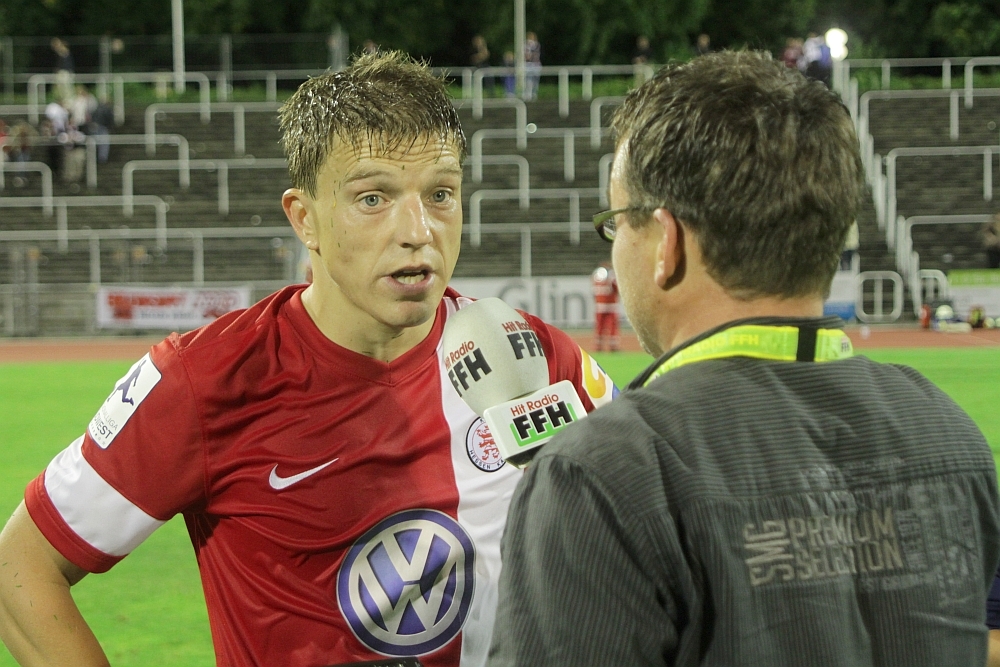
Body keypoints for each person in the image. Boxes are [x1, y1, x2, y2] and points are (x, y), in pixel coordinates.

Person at [0, 52, 616, 667]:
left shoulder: (531, 352)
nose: (418, 230)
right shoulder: (206, 380)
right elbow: (19, 567)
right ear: (305, 219)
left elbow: (642, 528)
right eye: (372, 197)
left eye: (440, 194)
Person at [488, 50, 1000, 667]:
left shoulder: (603, 472)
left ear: (667, 243)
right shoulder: (951, 435)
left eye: (617, 222)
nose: (615, 245)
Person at [591, 261, 619, 351]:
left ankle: (598, 346)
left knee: (599, 326)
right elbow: (616, 288)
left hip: (599, 305)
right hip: (610, 305)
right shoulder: (611, 275)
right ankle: (613, 346)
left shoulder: (596, 276)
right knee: (612, 326)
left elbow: (593, 291)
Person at [523, 32, 541, 101]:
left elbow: (536, 52)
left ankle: (534, 94)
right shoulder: (525, 44)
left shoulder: (537, 44)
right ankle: (528, 95)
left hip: (536, 64)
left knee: (535, 80)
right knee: (528, 80)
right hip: (528, 64)